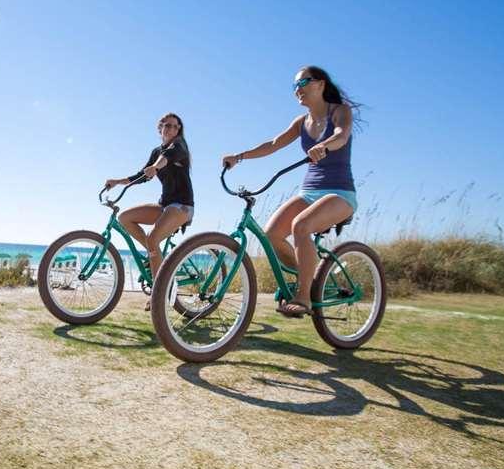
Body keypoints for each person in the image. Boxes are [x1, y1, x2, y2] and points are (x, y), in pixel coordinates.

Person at [222, 66, 359, 318]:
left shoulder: (339, 111)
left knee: (301, 226)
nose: (298, 89)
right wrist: (239, 157)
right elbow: (273, 144)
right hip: (309, 192)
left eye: (303, 82)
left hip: (340, 193)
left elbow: (341, 135)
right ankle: (311, 279)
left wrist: (324, 145)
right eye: (294, 85)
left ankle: (304, 296)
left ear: (320, 84)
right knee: (271, 235)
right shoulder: (301, 122)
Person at [105, 112, 194, 309]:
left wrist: (155, 167)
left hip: (182, 206)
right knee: (125, 218)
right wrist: (118, 182)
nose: (171, 129)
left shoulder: (180, 147)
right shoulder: (156, 151)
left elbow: (167, 158)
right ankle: (154, 254)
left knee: (153, 239)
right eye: (167, 125)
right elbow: (142, 175)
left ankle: (158, 294)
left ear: (179, 130)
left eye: (175, 126)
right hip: (165, 205)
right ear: (160, 128)